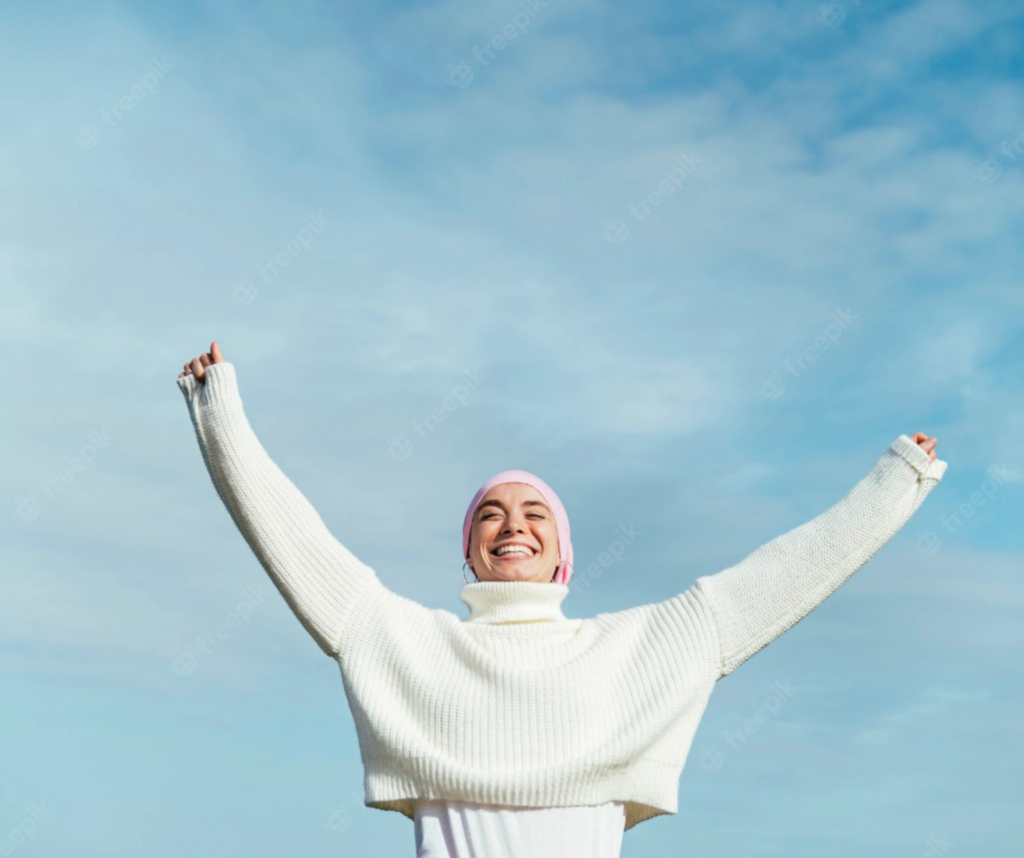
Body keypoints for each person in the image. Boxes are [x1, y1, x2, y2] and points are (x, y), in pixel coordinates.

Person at [177, 341, 946, 857]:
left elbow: (789, 573)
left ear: (562, 554)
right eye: (491, 514)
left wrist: (897, 480)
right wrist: (220, 412)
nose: (512, 525)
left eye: (534, 513)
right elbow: (293, 541)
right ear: (471, 549)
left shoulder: (638, 648)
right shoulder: (406, 644)